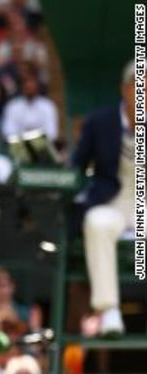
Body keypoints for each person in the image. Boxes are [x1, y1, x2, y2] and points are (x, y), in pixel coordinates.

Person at [74, 60, 137, 336]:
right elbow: (76, 167)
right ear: (124, 89)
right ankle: (109, 310)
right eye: (138, 87)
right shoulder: (99, 122)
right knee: (96, 222)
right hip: (112, 202)